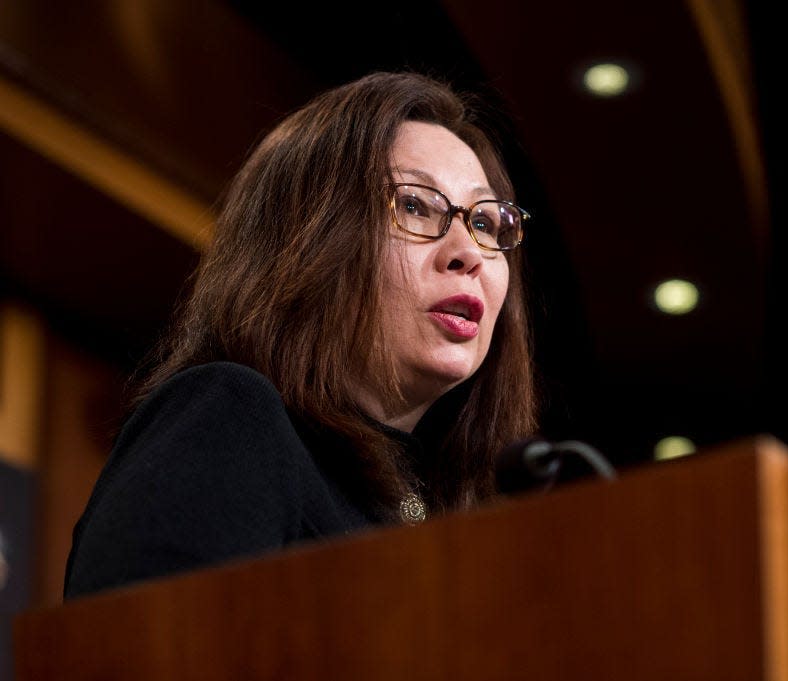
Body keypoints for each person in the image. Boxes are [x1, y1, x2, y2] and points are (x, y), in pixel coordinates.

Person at [63, 71, 538, 598]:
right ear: (309, 238)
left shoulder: (452, 510)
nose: (469, 252)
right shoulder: (231, 417)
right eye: (413, 205)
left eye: (487, 223)